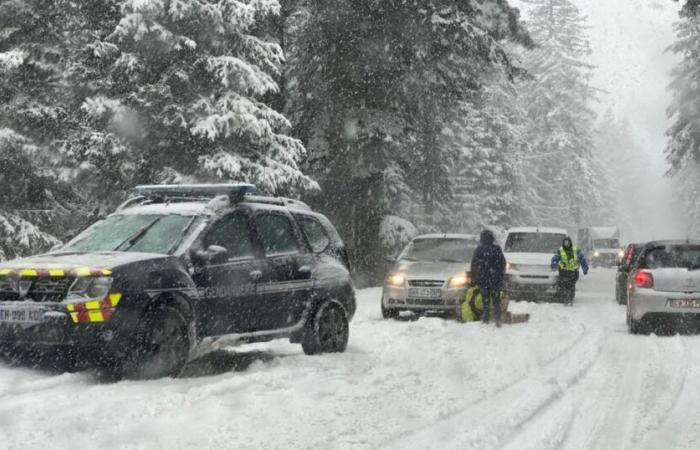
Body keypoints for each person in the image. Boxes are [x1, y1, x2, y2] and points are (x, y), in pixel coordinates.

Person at [470, 230, 507, 326]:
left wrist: (474, 276)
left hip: (483, 279)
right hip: (495, 279)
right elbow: (503, 263)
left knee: (485, 300)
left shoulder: (479, 250)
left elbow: (474, 264)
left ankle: (486, 318)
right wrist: (500, 275)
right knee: (496, 300)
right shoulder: (497, 249)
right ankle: (497, 319)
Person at [550, 237, 589, 305]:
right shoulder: (560, 250)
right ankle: (565, 299)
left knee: (571, 286)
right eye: (565, 242)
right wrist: (554, 264)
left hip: (573, 272)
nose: (566, 244)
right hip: (563, 271)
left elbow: (582, 259)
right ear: (563, 243)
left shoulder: (576, 250)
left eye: (568, 242)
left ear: (570, 242)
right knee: (563, 286)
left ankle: (570, 299)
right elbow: (555, 258)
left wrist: (585, 269)